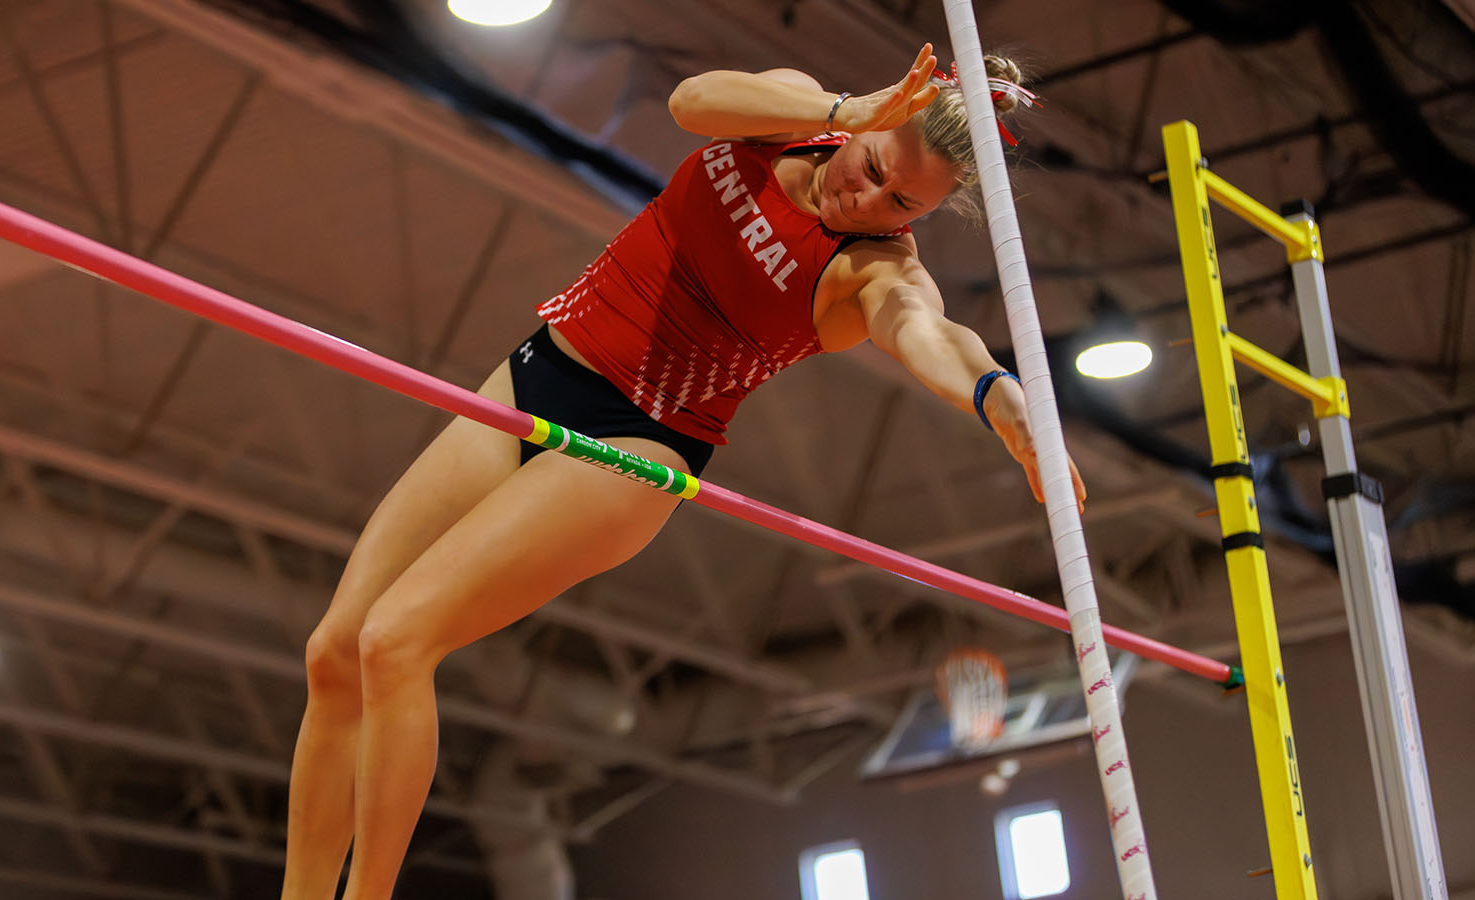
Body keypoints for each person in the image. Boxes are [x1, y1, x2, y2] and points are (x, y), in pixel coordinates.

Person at [281, 43, 1087, 900]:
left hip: (639, 445)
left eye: (902, 204)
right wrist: (845, 112)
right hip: (540, 370)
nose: (870, 200)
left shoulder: (873, 269)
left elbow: (929, 334)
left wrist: (998, 394)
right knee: (333, 651)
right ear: (871, 126)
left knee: (395, 642)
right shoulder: (796, 113)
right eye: (877, 167)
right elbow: (691, 102)